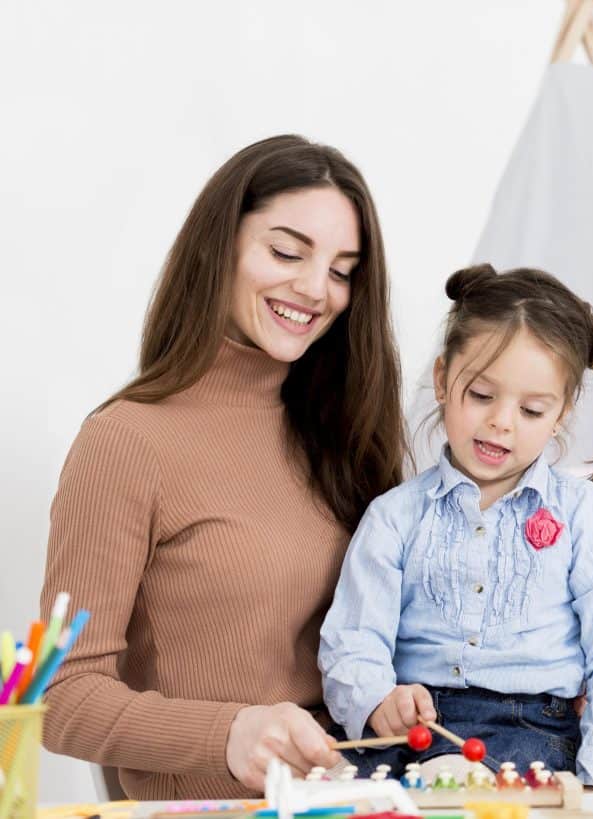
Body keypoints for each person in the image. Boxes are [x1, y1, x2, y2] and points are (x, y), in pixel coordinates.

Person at [39, 135, 406, 799]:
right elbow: (59, 699)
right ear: (222, 244)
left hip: (364, 797)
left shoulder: (346, 433)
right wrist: (227, 732)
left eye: (342, 269)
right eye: (287, 252)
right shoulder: (125, 442)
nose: (314, 287)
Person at [319, 264, 593, 792]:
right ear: (444, 379)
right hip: (418, 728)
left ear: (561, 413)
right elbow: (353, 638)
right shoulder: (394, 516)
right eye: (481, 396)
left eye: (532, 409)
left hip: (533, 732)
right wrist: (379, 701)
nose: (502, 421)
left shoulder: (583, 516)